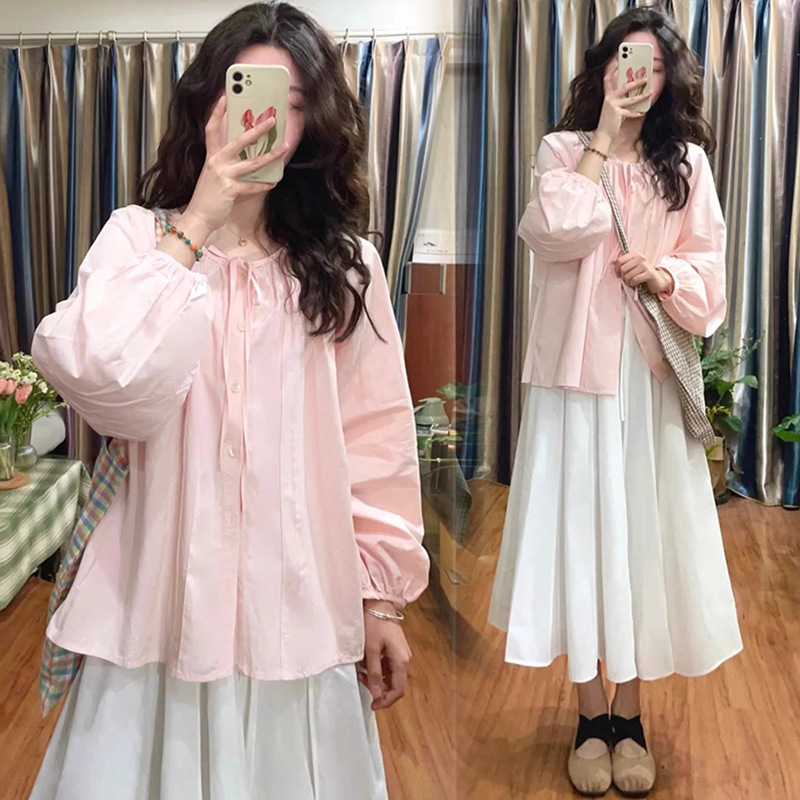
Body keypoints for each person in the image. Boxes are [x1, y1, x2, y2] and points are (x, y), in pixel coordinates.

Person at [29, 4, 429, 799]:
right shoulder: (139, 241)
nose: (265, 123)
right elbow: (99, 379)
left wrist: (381, 601)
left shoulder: (347, 268)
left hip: (297, 615)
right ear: (208, 106)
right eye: (245, 95)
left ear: (312, 123)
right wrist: (201, 218)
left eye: (290, 103)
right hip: (157, 605)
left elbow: (376, 442)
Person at [488, 7, 742, 797]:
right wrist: (602, 134)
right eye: (624, 61)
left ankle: (629, 719)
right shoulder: (563, 151)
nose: (637, 76)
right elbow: (554, 234)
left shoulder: (686, 164)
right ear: (602, 68)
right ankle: (588, 715)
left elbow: (710, 271)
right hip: (573, 379)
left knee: (639, 539)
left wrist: (663, 275)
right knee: (580, 537)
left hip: (646, 375)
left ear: (669, 80)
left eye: (653, 66)